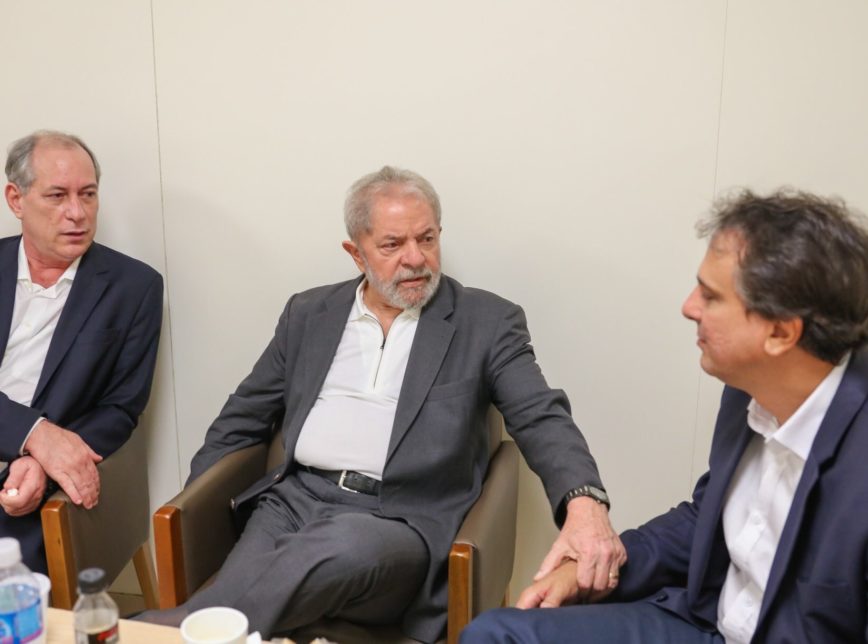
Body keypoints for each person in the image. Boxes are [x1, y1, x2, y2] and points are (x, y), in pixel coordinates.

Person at [138, 166, 624, 642]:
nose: (415, 258)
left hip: (398, 520)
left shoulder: (486, 322)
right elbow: (242, 417)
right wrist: (194, 508)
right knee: (254, 591)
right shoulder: (308, 313)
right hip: (291, 503)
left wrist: (584, 501)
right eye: (392, 245)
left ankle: (148, 632)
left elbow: (541, 416)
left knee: (321, 557)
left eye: (427, 239)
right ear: (356, 253)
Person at [461, 189, 868, 643]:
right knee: (496, 634)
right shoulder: (747, 387)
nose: (689, 307)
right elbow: (704, 521)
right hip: (706, 622)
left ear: (780, 333)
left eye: (711, 297)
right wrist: (592, 566)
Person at [0, 130, 163, 573]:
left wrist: (43, 462)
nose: (77, 213)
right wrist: (35, 435)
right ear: (16, 199)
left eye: (88, 194)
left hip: (31, 489)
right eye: (57, 196)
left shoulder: (134, 288)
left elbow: (121, 408)